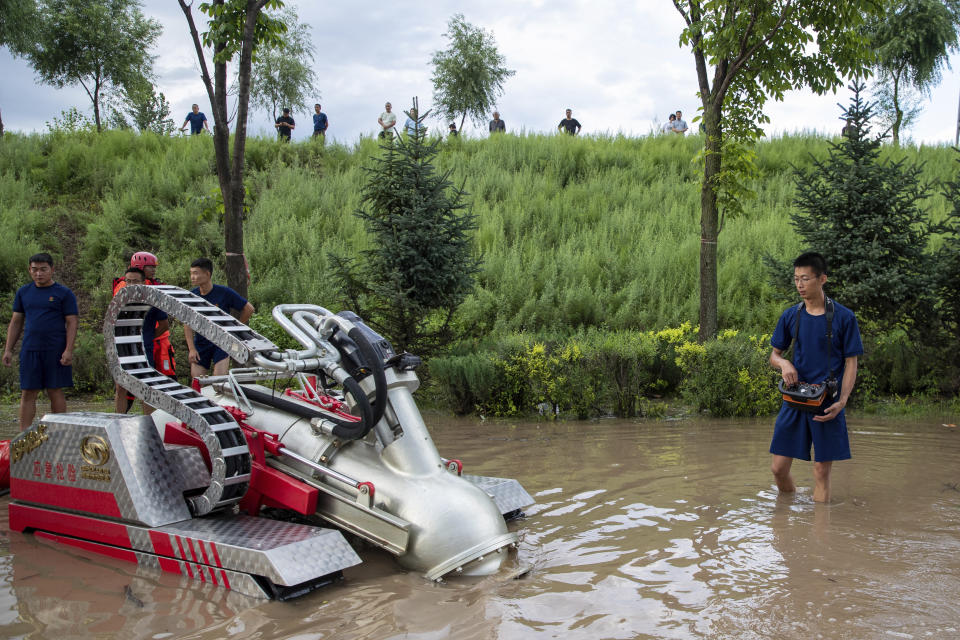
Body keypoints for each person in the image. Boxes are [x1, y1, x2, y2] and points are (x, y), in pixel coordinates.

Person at [769, 252, 863, 503]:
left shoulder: (844, 317)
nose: (799, 285)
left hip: (827, 403)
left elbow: (851, 362)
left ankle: (821, 535)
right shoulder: (791, 316)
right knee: (778, 469)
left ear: (822, 279)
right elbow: (774, 355)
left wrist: (842, 401)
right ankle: (790, 504)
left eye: (805, 279)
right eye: (796, 279)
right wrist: (784, 363)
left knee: (821, 472)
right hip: (795, 399)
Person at [2, 253, 78, 431]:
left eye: (43, 269)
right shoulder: (23, 292)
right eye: (34, 269)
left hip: (55, 349)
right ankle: (24, 435)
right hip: (30, 349)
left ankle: (59, 432)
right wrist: (8, 350)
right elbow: (16, 322)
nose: (38, 274)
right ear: (29, 270)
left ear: (52, 269)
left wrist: (68, 350)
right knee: (28, 392)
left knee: (54, 390)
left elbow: (72, 322)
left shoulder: (63, 293)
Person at [184, 258, 255, 379]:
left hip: (221, 342)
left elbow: (249, 309)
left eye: (196, 273)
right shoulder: (192, 296)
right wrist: (191, 349)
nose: (192, 277)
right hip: (201, 343)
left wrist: (234, 329)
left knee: (219, 378)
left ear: (207, 274)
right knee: (197, 379)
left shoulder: (224, 292)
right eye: (191, 273)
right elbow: (187, 323)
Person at [113, 267, 169, 415]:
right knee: (121, 387)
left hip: (144, 350)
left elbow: (164, 325)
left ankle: (149, 423)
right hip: (122, 350)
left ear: (144, 282)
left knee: (146, 388)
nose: (131, 284)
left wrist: (149, 337)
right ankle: (119, 421)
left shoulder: (152, 299)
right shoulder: (119, 299)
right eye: (128, 281)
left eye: (135, 281)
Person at [112, 251, 176, 379]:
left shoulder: (153, 285)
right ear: (140, 266)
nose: (153, 270)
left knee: (165, 376)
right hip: (136, 338)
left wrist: (151, 335)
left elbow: (164, 320)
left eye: (154, 267)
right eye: (150, 267)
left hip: (156, 337)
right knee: (130, 381)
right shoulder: (123, 286)